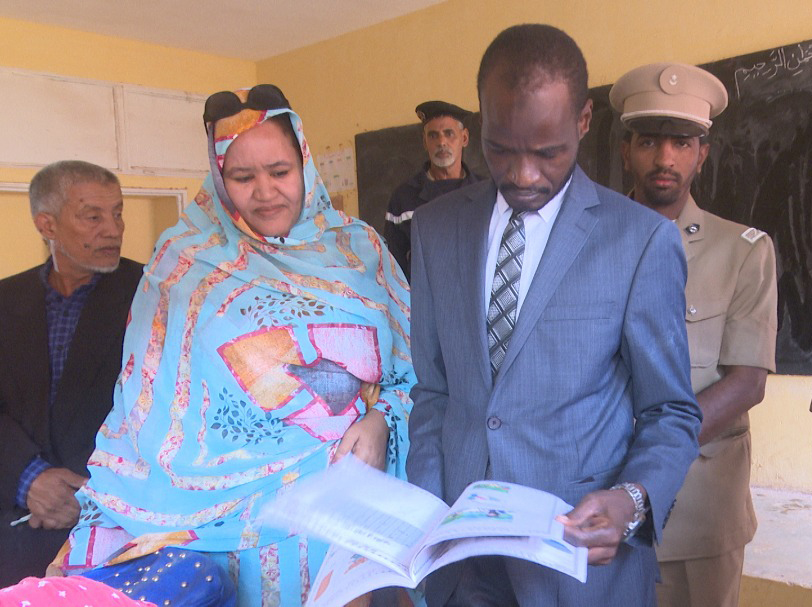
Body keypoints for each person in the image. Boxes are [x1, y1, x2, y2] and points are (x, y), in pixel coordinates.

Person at [52, 85, 415, 607]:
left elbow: (416, 368)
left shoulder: (361, 249)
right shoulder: (184, 263)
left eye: (280, 171)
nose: (265, 192)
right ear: (219, 179)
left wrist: (382, 422)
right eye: (243, 177)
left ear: (305, 164)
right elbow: (145, 404)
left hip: (344, 516)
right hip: (223, 530)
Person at [406, 24, 703, 606]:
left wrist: (632, 500)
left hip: (577, 566)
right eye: (500, 148)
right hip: (459, 565)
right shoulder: (436, 228)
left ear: (584, 122)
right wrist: (425, 516)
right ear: (480, 124)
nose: (523, 175)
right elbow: (434, 391)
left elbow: (669, 410)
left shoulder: (638, 241)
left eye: (548, 152)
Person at [611, 62, 778, 607]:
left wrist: (648, 459)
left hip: (698, 511)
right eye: (649, 142)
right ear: (626, 151)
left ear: (702, 154)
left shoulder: (744, 251)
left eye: (682, 143)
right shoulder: (587, 245)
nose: (665, 158)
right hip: (597, 503)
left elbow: (747, 382)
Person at [0, 161, 143, 587]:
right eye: (92, 216)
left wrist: (97, 493)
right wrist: (28, 478)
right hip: (15, 533)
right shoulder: (6, 300)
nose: (113, 230)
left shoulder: (153, 294)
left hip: (117, 534)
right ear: (47, 224)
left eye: (117, 213)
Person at [384, 100, 481, 281]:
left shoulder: (486, 194)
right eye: (433, 136)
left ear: (464, 138)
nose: (442, 142)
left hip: (476, 296)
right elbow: (393, 268)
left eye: (449, 134)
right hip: (425, 298)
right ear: (425, 142)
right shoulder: (403, 199)